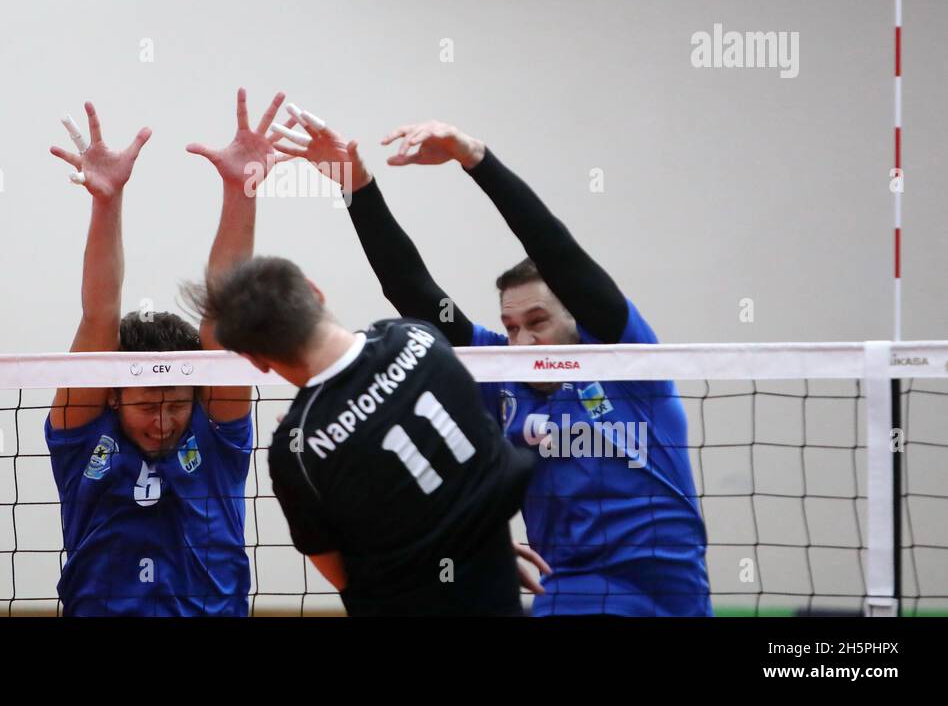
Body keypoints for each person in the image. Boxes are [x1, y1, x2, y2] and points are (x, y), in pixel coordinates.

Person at [270, 105, 712, 616]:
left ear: (579, 316)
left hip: (667, 597)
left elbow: (554, 246)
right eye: (510, 327)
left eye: (538, 321)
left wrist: (475, 159)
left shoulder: (625, 360)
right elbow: (411, 290)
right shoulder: (501, 375)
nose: (522, 341)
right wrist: (356, 185)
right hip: (567, 591)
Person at [184, 255, 541, 616]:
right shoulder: (419, 337)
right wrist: (474, 548)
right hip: (495, 586)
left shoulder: (296, 451)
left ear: (255, 360)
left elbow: (341, 576)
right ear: (314, 290)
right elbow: (479, 467)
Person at [43, 94, 279, 615]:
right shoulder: (83, 437)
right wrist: (107, 202)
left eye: (176, 404)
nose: (163, 420)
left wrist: (242, 193)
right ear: (112, 398)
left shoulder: (216, 436)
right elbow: (98, 315)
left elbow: (224, 312)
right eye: (148, 404)